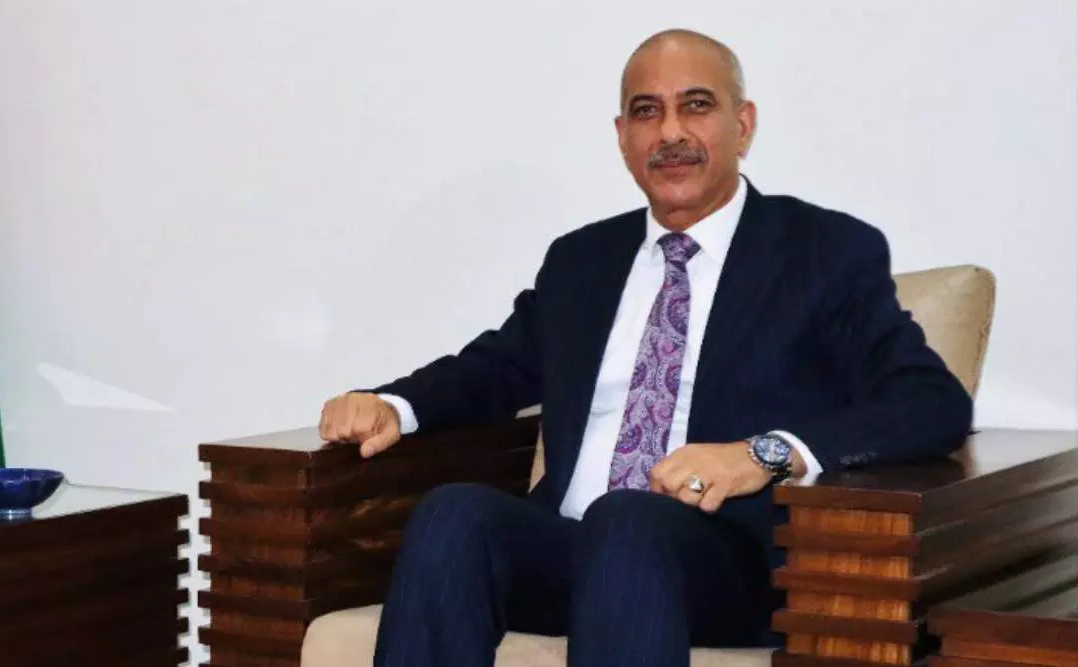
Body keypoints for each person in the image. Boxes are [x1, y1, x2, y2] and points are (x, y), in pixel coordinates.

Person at [318, 28, 972, 667]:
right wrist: (392, 404)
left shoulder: (821, 252)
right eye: (646, 112)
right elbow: (496, 366)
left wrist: (762, 453)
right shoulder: (582, 259)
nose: (670, 133)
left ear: (743, 125)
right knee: (454, 512)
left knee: (628, 521)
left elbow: (930, 402)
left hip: (724, 566)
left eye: (696, 105)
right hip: (569, 550)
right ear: (623, 138)